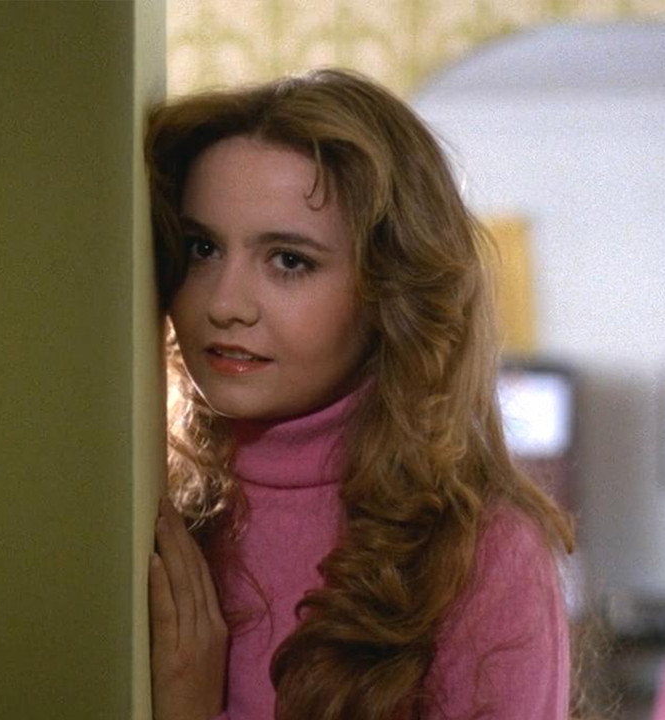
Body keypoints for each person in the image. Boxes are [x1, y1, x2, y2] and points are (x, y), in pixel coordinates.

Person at [145, 68, 574, 720]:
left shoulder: (481, 554)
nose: (225, 303)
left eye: (289, 260)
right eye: (202, 248)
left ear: (388, 291)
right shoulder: (157, 508)